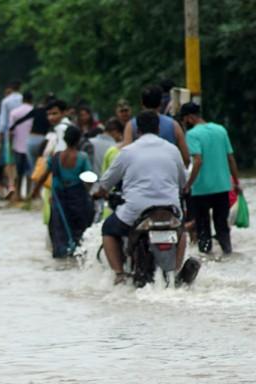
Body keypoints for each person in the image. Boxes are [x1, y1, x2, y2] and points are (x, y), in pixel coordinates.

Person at [93, 111, 188, 284]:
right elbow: (183, 181)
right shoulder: (172, 150)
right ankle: (176, 271)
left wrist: (99, 192)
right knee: (181, 231)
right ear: (158, 128)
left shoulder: (127, 151)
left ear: (137, 130)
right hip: (170, 209)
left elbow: (106, 182)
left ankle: (119, 274)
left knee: (108, 228)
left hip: (136, 212)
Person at [180, 102, 241, 254]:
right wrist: (236, 182)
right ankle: (228, 253)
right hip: (222, 186)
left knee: (203, 228)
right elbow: (231, 158)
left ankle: (207, 261)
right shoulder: (220, 130)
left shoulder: (192, 134)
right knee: (222, 226)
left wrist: (188, 184)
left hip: (201, 189)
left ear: (189, 118)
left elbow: (198, 161)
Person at [30, 125, 95, 258]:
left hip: (59, 199)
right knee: (79, 229)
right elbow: (89, 178)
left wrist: (34, 192)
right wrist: (90, 192)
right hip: (77, 198)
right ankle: (77, 256)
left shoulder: (55, 157)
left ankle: (61, 257)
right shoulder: (82, 157)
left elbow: (43, 176)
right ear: (78, 140)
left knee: (59, 229)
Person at [122, 85, 190, 165]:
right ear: (161, 102)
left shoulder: (131, 125)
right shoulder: (173, 125)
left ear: (142, 103)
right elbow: (186, 157)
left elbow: (125, 155)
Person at [6, 91, 35, 200]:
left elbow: (10, 131)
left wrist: (10, 146)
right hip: (30, 146)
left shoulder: (14, 113)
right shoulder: (34, 112)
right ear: (32, 100)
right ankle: (28, 194)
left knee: (18, 172)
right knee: (30, 172)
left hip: (17, 145)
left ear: (22, 100)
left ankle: (17, 195)